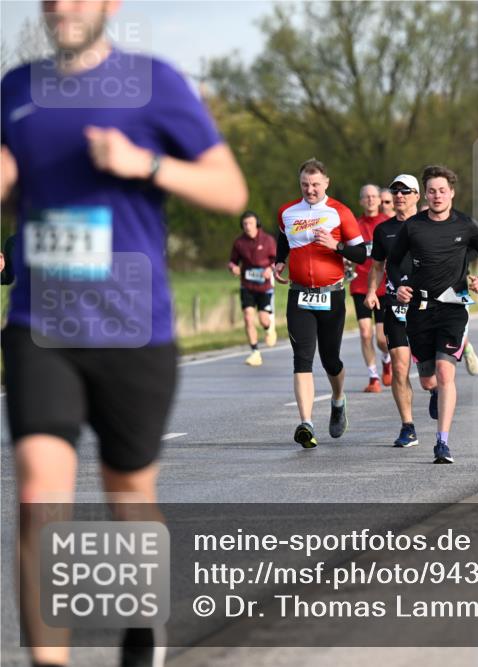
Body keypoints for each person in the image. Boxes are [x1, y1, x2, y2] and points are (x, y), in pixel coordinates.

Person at [1, 2, 248, 665]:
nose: (63, 8)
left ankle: (144, 623)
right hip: (39, 325)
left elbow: (229, 189)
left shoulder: (155, 83)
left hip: (134, 330)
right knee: (37, 491)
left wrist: (146, 165)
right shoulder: (16, 89)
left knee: (129, 494)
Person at [387, 165, 478, 464]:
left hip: (453, 307)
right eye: (432, 191)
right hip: (419, 309)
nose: (437, 196)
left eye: (442, 191)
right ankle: (433, 392)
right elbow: (393, 263)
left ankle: (442, 442)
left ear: (452, 193)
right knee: (427, 380)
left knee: (446, 372)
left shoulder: (465, 225)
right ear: (425, 194)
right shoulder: (413, 226)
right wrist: (400, 286)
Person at [274, 159, 367, 448]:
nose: (310, 190)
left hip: (332, 294)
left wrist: (336, 246)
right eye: (304, 184)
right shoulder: (287, 212)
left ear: (326, 182)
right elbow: (283, 237)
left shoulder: (340, 212)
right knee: (302, 358)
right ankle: (306, 423)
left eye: (315, 184)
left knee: (330, 359)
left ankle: (338, 400)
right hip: (300, 295)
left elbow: (362, 254)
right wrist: (279, 261)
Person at [366, 174, 422, 448]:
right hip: (394, 304)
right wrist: (370, 292)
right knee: (400, 367)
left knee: (430, 377)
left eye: (405, 191)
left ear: (417, 196)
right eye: (395, 191)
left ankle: (435, 390)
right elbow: (377, 265)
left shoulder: (430, 225)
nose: (399, 196)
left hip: (428, 306)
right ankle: (408, 426)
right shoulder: (383, 230)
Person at [351, 184, 392, 392]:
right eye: (366, 196)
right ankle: (373, 377)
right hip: (360, 285)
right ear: (361, 201)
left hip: (384, 286)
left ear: (379, 200)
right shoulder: (354, 225)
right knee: (365, 333)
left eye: (374, 196)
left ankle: (386, 358)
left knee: (382, 339)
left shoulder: (387, 224)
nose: (370, 200)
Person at [228, 210, 277, 366]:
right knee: (248, 317)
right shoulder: (239, 243)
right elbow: (232, 262)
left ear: (257, 224)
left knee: (263, 319)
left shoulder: (268, 240)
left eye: (250, 223)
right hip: (247, 286)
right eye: (245, 224)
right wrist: (233, 268)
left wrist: (271, 269)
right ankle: (255, 352)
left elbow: (277, 260)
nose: (248, 226)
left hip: (264, 286)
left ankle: (269, 328)